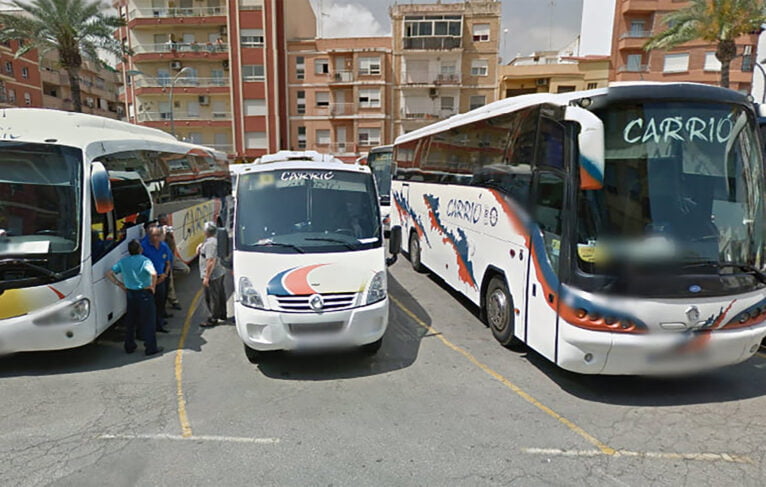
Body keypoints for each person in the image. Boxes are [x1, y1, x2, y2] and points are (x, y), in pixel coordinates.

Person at [106, 240, 163, 356]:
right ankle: (150, 347)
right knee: (148, 321)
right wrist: (152, 287)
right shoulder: (145, 260)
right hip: (144, 294)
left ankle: (129, 345)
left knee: (131, 321)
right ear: (140, 249)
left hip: (130, 293)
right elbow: (153, 273)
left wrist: (120, 284)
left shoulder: (124, 261)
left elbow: (109, 273)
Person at [142, 225, 173, 333]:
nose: (155, 238)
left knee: (160, 303)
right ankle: (150, 326)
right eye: (153, 235)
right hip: (149, 280)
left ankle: (159, 324)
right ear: (149, 235)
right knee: (150, 305)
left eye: (158, 235)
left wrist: (165, 274)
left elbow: (168, 263)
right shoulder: (144, 247)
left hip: (161, 278)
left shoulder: (164, 246)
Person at [197, 221, 227, 327]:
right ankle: (222, 314)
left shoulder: (210, 244)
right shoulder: (213, 241)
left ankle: (213, 318)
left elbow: (210, 261)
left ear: (206, 231)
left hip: (213, 275)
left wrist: (206, 277)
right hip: (219, 272)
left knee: (212, 297)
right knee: (220, 294)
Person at [158, 214, 183, 311]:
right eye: (164, 222)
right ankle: (173, 300)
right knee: (170, 280)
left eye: (167, 221)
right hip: (165, 259)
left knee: (185, 269)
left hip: (172, 256)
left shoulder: (169, 230)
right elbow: (161, 243)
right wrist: (163, 232)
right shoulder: (159, 232)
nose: (166, 224)